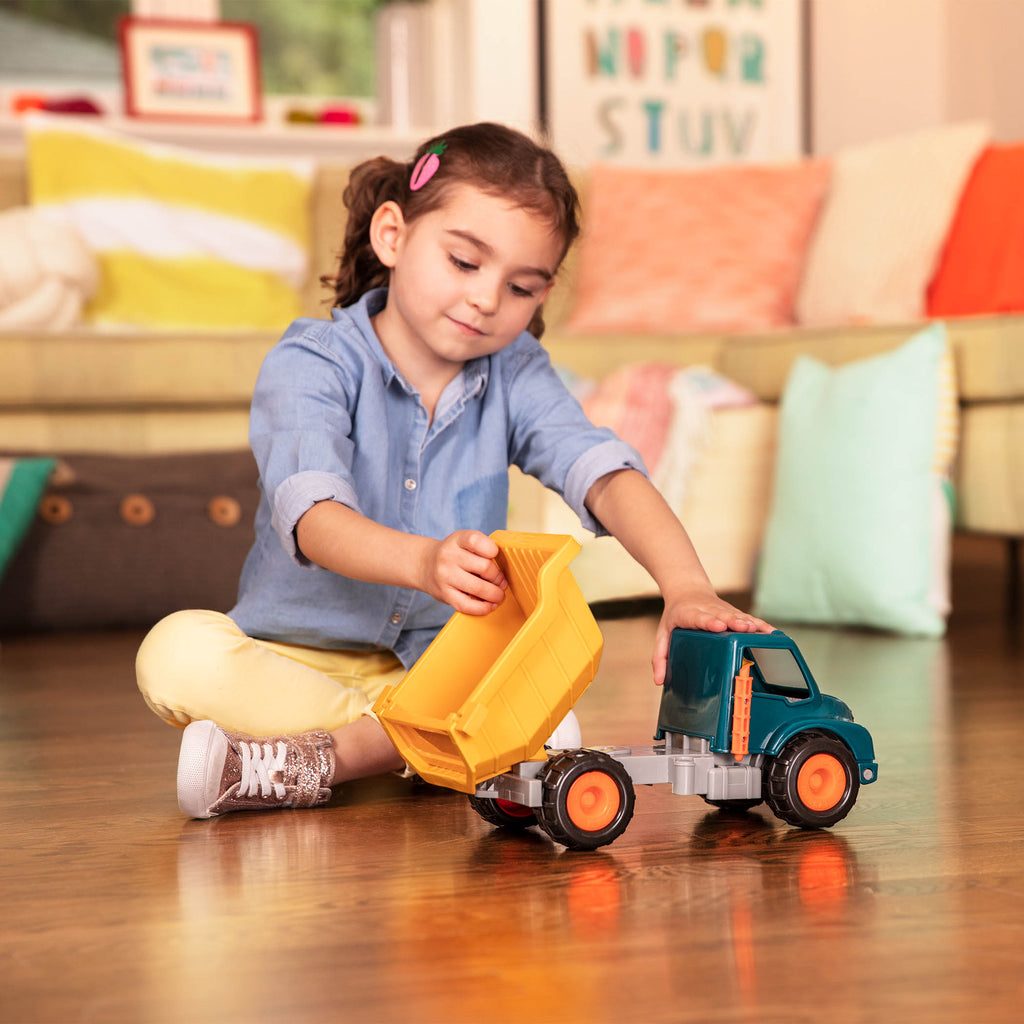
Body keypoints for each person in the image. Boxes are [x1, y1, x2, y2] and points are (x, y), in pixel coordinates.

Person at [136, 122, 772, 819]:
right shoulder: (311, 362)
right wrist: (424, 561)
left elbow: (604, 472)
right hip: (294, 661)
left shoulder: (518, 372)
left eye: (522, 287)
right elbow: (315, 520)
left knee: (555, 727)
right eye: (465, 263)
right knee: (174, 654)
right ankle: (412, 749)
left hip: (446, 665)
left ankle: (327, 759)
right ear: (393, 235)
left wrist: (684, 586)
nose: (486, 300)